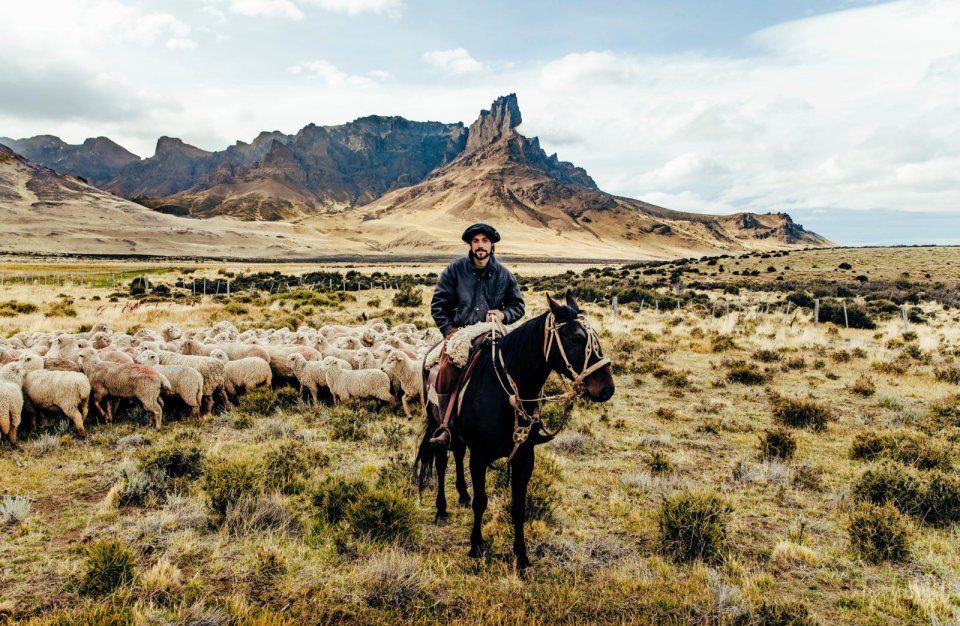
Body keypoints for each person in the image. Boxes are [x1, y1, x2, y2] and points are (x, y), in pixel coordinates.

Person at [428, 223, 525, 446]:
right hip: (461, 334)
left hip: (493, 334)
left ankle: (523, 420)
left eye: (484, 241)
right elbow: (438, 306)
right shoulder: (454, 271)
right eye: (475, 241)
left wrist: (503, 314)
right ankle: (445, 425)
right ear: (470, 245)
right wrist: (450, 332)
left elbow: (518, 306)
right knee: (446, 369)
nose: (480, 246)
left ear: (491, 245)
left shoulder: (504, 275)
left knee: (519, 368)